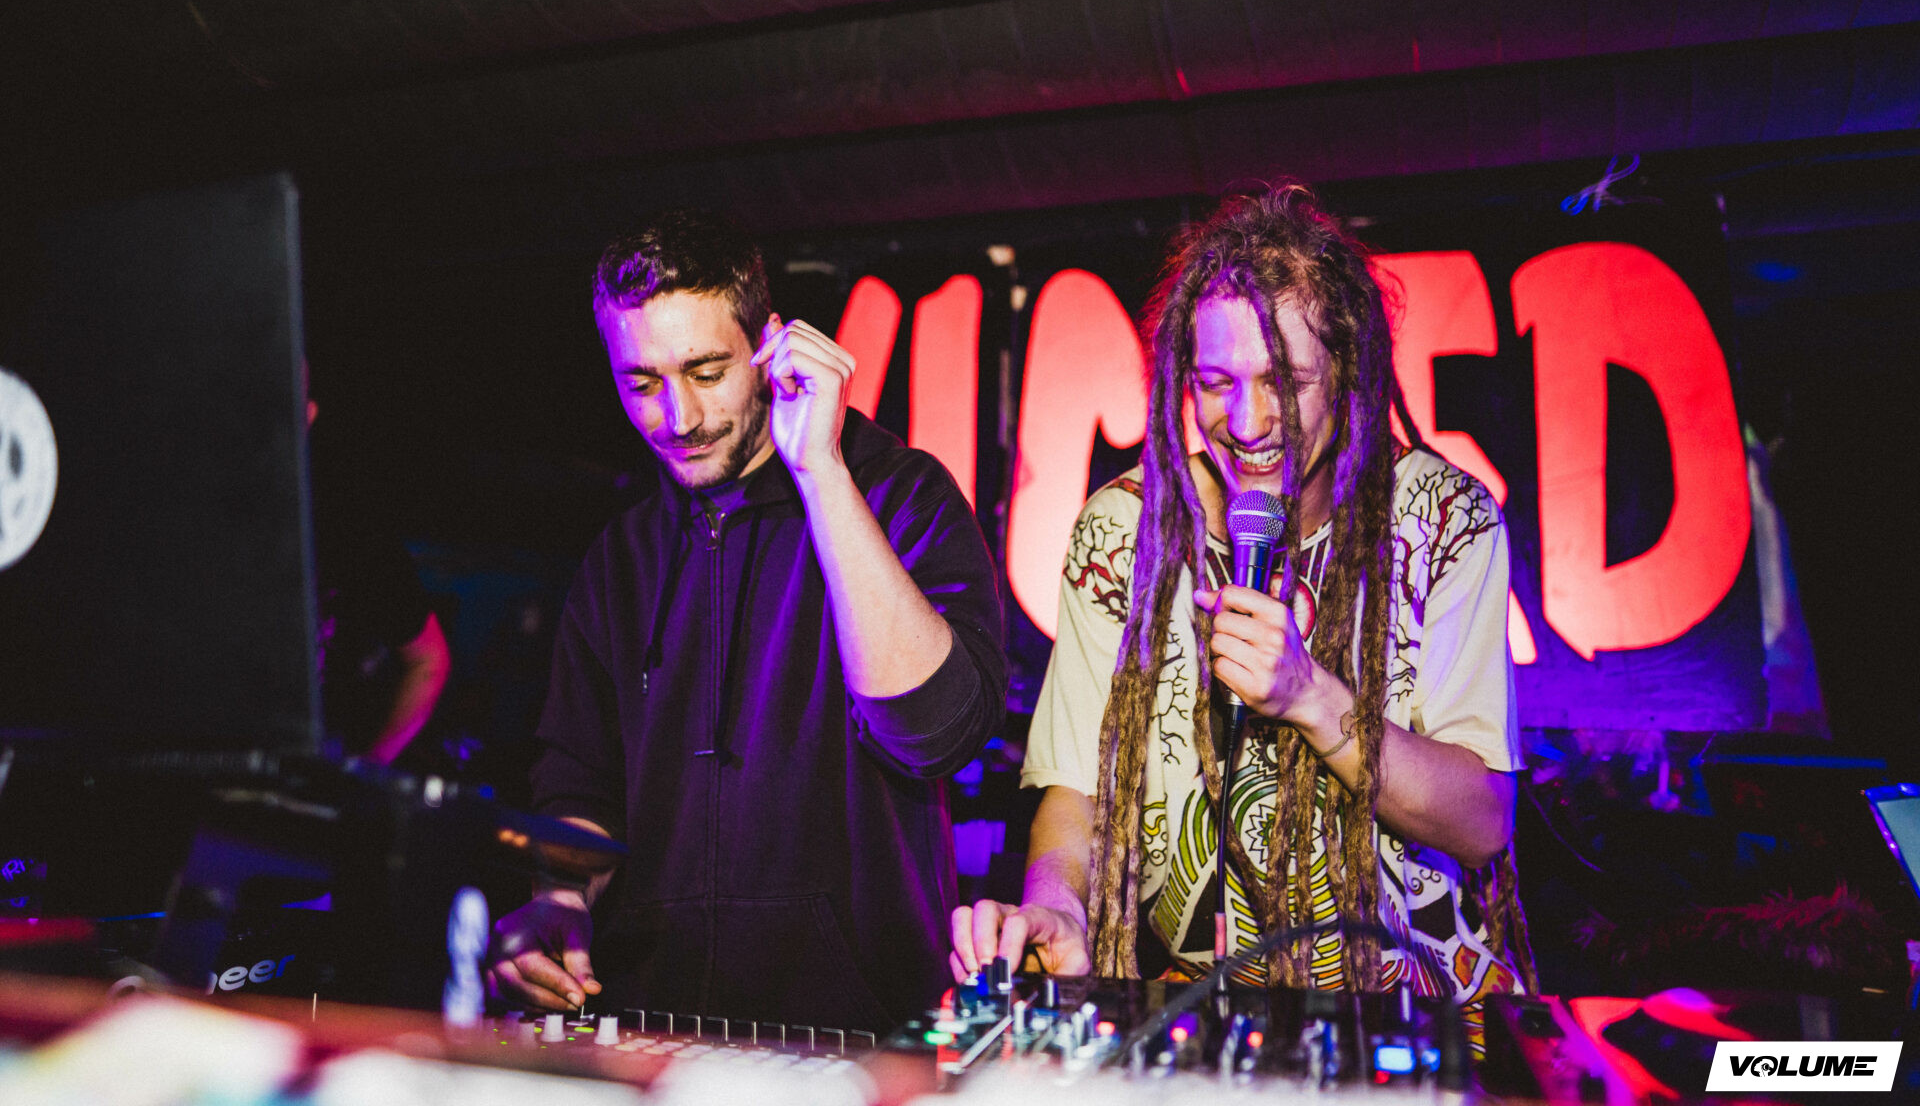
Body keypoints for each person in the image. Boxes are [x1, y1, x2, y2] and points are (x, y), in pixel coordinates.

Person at [951, 185, 1531, 1038]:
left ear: (1350, 372)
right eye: (1216, 383)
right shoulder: (1123, 531)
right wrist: (1059, 907)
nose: (1248, 422)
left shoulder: (1444, 520)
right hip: (1203, 1016)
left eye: (1284, 382)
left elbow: (1480, 821)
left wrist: (1310, 696)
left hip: (1422, 1020)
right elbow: (1075, 789)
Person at [489, 210, 1006, 1031]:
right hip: (652, 1027)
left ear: (768, 346)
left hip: (856, 1033)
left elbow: (934, 733)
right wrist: (560, 899)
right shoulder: (622, 555)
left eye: (706, 371)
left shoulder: (898, 494)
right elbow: (579, 779)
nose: (678, 417)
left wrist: (821, 470)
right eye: (642, 383)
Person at [306, 363, 450, 766]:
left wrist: (365, 772)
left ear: (308, 413)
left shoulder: (346, 521)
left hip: (300, 780)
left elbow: (428, 660)